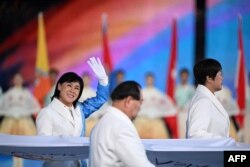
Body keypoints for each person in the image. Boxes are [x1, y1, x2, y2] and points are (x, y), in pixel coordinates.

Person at [36, 57, 109, 167]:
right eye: (69, 85)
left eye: (76, 88)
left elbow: (100, 99)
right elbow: (43, 147)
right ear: (59, 86)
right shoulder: (47, 113)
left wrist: (103, 80)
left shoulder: (80, 110)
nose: (72, 90)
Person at [89, 81, 155, 167]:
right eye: (140, 102)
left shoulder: (100, 124)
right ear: (128, 101)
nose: (140, 108)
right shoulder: (121, 128)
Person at [0, 72, 40, 167]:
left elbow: (36, 107)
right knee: (13, 145)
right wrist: (9, 113)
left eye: (19, 78)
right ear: (13, 80)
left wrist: (25, 112)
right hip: (10, 122)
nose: (17, 80)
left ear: (22, 80)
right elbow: (1, 108)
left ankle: (20, 165)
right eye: (16, 78)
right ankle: (15, 164)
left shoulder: (26, 93)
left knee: (21, 145)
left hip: (24, 121)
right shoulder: (9, 93)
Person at [186, 58, 230, 138]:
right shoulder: (203, 101)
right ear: (209, 78)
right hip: (211, 150)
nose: (222, 78)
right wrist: (225, 141)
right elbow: (195, 134)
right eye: (220, 74)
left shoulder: (205, 98)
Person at [134, 72, 175, 139]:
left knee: (158, 144)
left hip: (156, 123)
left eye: (151, 79)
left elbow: (169, 106)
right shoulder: (141, 93)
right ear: (145, 80)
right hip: (142, 121)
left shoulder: (158, 94)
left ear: (153, 80)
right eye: (148, 79)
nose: (149, 81)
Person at [175, 68, 195, 138]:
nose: (184, 78)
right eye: (182, 76)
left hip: (188, 113)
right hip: (179, 114)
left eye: (185, 76)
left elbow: (193, 101)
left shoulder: (191, 89)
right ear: (180, 77)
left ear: (188, 77)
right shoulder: (176, 88)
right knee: (180, 134)